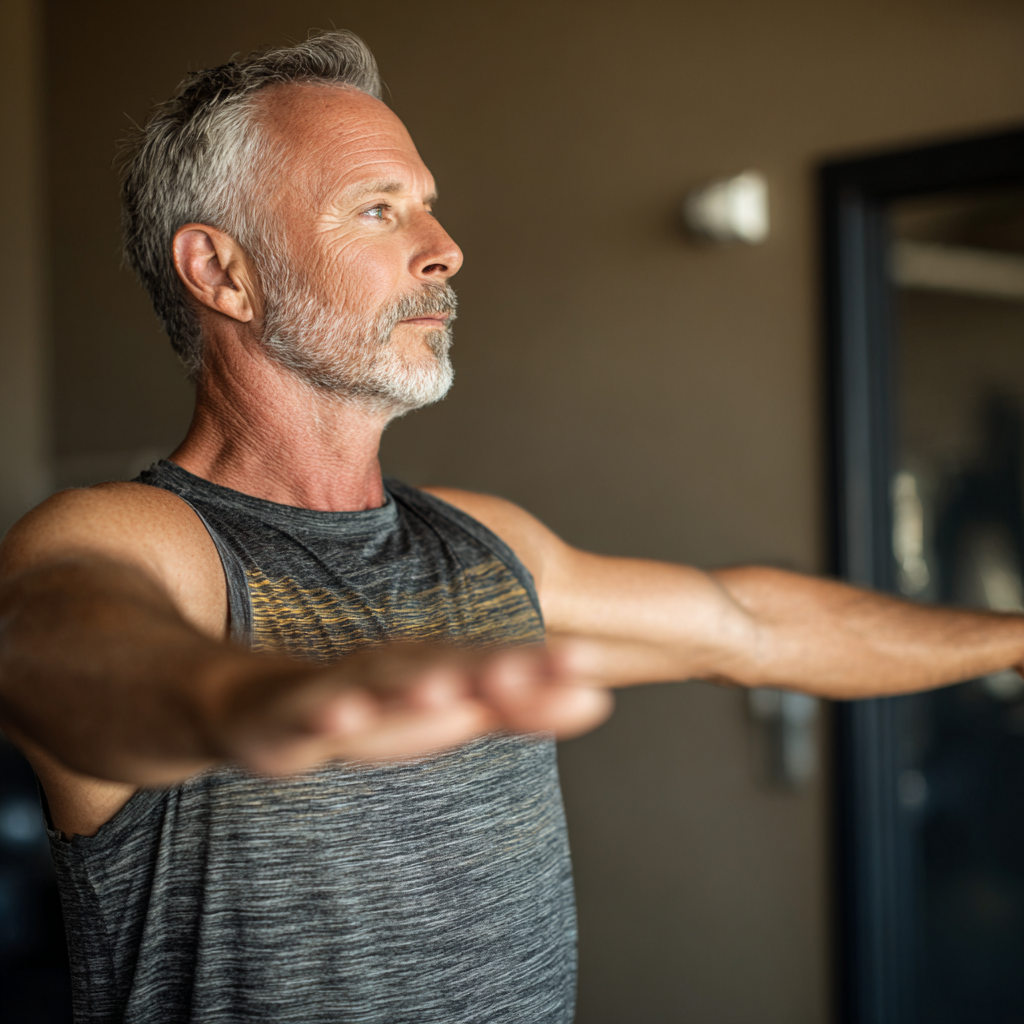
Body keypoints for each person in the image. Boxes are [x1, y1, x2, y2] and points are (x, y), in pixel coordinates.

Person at [0, 30, 1022, 1024]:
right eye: (376, 210)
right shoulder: (145, 542)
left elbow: (745, 624)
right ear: (222, 272)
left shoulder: (487, 545)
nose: (443, 250)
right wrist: (273, 699)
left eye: (427, 210)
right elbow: (56, 653)